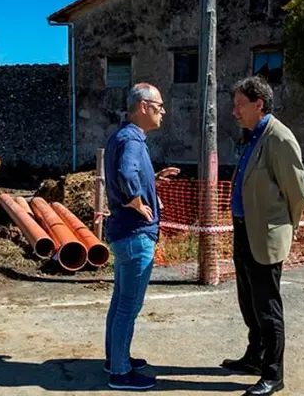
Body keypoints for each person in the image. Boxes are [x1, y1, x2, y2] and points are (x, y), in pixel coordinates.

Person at [222, 76, 304, 396]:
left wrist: (289, 228)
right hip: (244, 230)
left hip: (267, 235)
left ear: (259, 104)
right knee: (249, 300)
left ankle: (274, 373)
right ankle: (254, 358)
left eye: (240, 105)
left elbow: (297, 194)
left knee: (268, 306)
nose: (235, 111)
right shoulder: (252, 136)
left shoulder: (278, 138)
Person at [102, 83, 177, 390]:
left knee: (120, 301)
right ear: (143, 107)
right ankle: (120, 373)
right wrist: (135, 199)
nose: (163, 112)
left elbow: (129, 171)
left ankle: (115, 359)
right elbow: (125, 173)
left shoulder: (123, 136)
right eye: (159, 106)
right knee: (128, 307)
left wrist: (152, 179)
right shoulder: (132, 139)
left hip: (124, 233)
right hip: (135, 235)